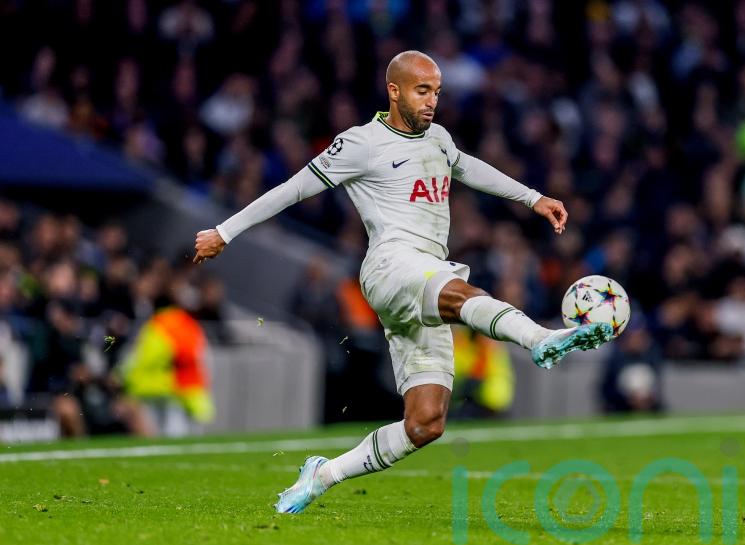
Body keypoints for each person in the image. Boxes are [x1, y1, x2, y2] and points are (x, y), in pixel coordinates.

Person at [193, 51, 613, 514]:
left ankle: (323, 474)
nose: (432, 101)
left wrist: (533, 198)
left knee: (426, 423)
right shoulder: (360, 143)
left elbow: (469, 167)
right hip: (391, 267)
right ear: (394, 91)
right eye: (422, 90)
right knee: (460, 293)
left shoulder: (439, 139)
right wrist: (224, 232)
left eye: (437, 92)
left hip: (424, 275)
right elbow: (292, 188)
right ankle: (539, 339)